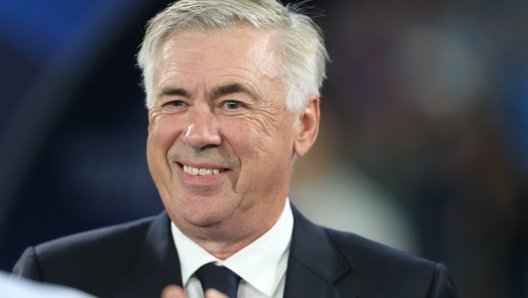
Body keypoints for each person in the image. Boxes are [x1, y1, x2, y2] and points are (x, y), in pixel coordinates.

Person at [12, 0, 459, 297]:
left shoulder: (407, 287)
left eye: (233, 103)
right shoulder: (55, 276)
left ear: (304, 125)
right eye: (175, 101)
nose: (198, 132)